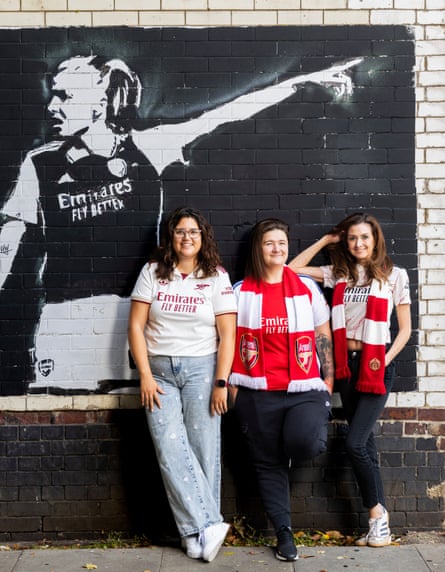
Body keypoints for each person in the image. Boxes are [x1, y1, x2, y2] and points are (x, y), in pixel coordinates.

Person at [0, 52, 362, 394]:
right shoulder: (40, 165)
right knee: (66, 418)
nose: (52, 106)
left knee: (141, 410)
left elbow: (225, 114)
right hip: (65, 319)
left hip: (133, 315)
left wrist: (303, 82)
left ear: (98, 105)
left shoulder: (145, 147)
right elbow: (8, 241)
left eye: (64, 96)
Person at [288, 212, 412, 548]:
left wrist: (383, 359)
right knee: (366, 444)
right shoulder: (338, 274)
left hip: (376, 365)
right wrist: (326, 241)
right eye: (352, 238)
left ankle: (375, 515)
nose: (358, 243)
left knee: (355, 444)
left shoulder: (394, 276)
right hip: (346, 366)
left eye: (365, 238)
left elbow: (406, 329)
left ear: (376, 240)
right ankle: (380, 525)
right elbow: (292, 269)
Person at [128, 207, 237, 562]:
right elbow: (135, 327)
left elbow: (228, 333)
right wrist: (144, 373)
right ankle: (207, 525)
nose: (187, 237)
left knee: (204, 448)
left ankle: (194, 534)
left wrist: (221, 381)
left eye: (193, 232)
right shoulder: (153, 273)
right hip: (158, 373)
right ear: (170, 237)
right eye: (180, 231)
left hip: (202, 371)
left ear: (202, 237)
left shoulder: (216, 277)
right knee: (168, 446)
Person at [229, 218, 334, 562]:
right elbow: (226, 340)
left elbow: (322, 333)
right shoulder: (240, 290)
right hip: (256, 392)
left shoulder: (305, 287)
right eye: (269, 243)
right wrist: (231, 384)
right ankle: (284, 534)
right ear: (258, 249)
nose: (277, 248)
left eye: (282, 242)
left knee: (305, 441)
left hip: (304, 388)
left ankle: (291, 441)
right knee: (267, 464)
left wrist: (328, 380)